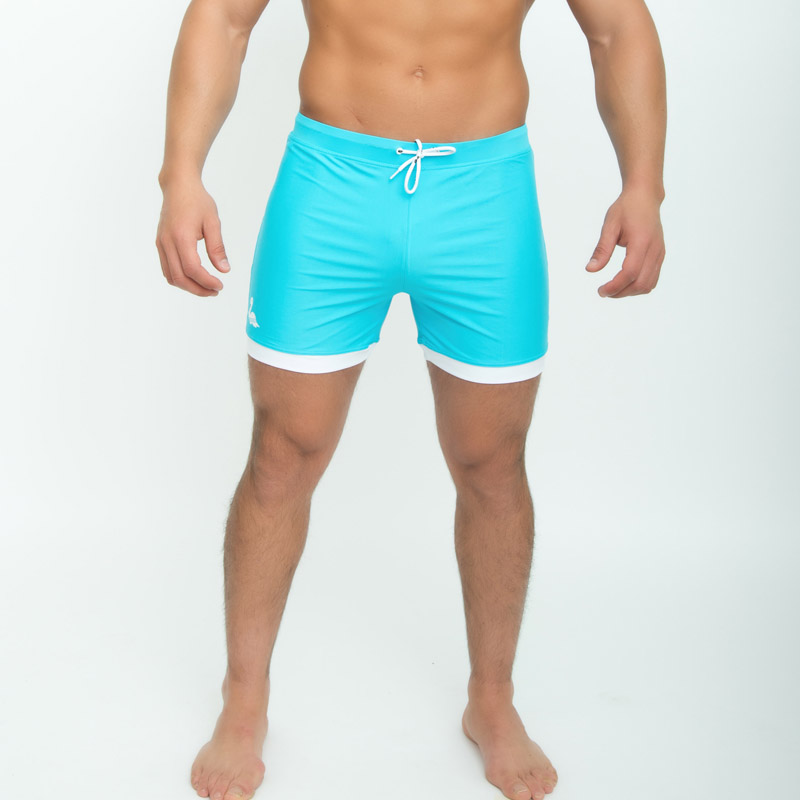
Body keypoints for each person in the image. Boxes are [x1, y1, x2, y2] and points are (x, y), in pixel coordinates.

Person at [155, 0, 666, 797]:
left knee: (492, 462)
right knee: (283, 450)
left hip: (483, 193)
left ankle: (491, 699)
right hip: (332, 184)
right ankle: (244, 698)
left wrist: (644, 185)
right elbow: (223, 16)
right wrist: (181, 173)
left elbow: (617, 28)